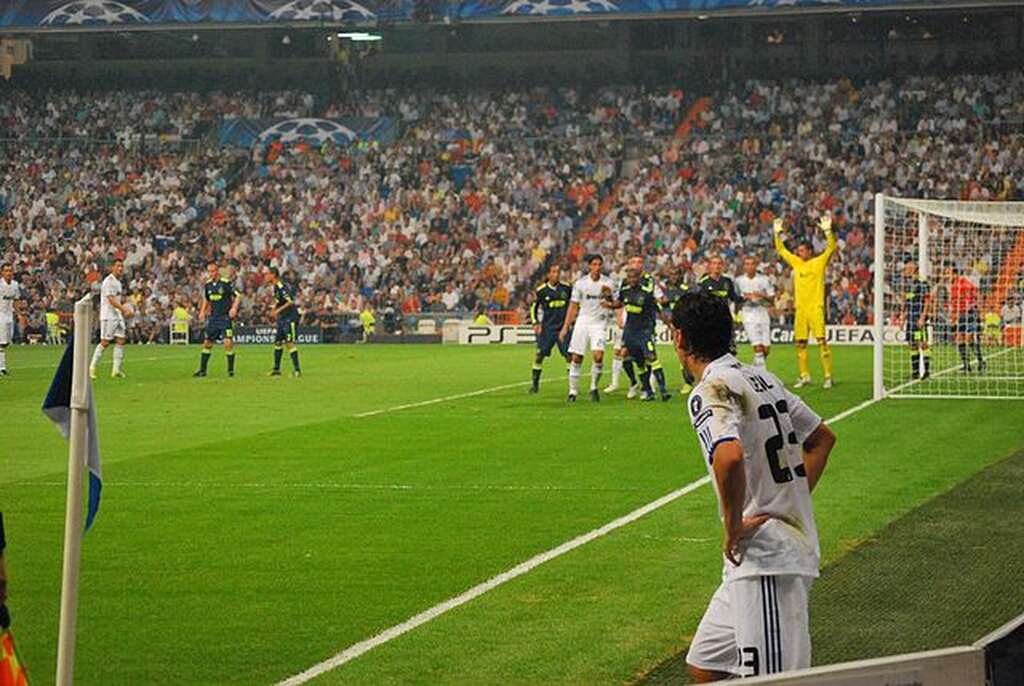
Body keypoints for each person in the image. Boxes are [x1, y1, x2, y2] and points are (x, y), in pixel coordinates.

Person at [672, 290, 836, 681]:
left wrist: (733, 527)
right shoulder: (761, 378)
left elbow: (727, 457)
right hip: (758, 558)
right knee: (706, 665)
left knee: (773, 681)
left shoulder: (711, 390)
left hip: (766, 560)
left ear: (679, 338)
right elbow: (821, 438)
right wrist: (788, 498)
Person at [774, 215, 837, 388]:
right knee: (800, 343)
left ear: (809, 251)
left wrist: (827, 231)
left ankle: (828, 376)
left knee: (822, 342)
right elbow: (781, 250)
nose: (798, 253)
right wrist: (777, 234)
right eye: (798, 251)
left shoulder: (818, 262)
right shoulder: (796, 263)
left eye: (801, 250)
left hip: (815, 308)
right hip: (800, 309)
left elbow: (831, 247)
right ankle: (804, 375)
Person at [559, 254, 616, 402]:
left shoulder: (608, 283)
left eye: (599, 264)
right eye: (594, 264)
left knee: (598, 356)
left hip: (599, 323)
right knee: (576, 357)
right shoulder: (580, 284)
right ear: (589, 266)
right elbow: (573, 306)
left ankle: (593, 388)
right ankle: (572, 392)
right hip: (583, 321)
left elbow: (617, 304)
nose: (597, 267)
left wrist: (609, 299)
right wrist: (565, 327)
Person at [611, 267, 670, 401]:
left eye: (634, 277)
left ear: (638, 279)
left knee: (651, 357)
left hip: (644, 331)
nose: (631, 280)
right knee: (631, 358)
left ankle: (663, 390)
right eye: (629, 277)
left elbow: (658, 310)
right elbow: (618, 304)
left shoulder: (646, 294)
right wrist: (608, 300)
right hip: (630, 331)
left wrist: (669, 325)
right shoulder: (624, 292)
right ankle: (644, 389)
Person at [606, 255, 655, 397]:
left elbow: (649, 299)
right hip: (629, 320)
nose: (636, 264)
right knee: (622, 353)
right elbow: (621, 300)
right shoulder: (625, 282)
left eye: (639, 262)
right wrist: (619, 315)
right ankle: (632, 383)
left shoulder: (648, 280)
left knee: (647, 355)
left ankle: (648, 386)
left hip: (644, 322)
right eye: (633, 262)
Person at [529, 263, 573, 394]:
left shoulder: (567, 288)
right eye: (553, 272)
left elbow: (573, 305)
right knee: (539, 355)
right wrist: (535, 322)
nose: (556, 274)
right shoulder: (541, 291)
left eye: (558, 272)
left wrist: (572, 321)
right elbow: (534, 308)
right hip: (547, 329)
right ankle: (535, 384)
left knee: (569, 356)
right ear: (548, 274)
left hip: (563, 328)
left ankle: (572, 387)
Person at [193, 262, 241, 378]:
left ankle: (230, 371)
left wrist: (234, 308)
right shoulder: (208, 285)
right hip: (213, 318)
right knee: (207, 344)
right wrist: (202, 311)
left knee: (227, 343)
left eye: (213, 271)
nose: (211, 274)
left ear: (217, 271)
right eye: (209, 271)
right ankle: (203, 370)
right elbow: (206, 299)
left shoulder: (225, 283)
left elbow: (238, 296)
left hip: (224, 318)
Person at [89, 259, 131, 380]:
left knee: (121, 340)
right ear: (112, 267)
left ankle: (116, 370)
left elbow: (117, 300)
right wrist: (124, 309)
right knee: (105, 342)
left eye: (122, 266)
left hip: (117, 315)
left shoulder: (118, 282)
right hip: (108, 316)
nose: (120, 268)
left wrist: (123, 309)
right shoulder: (109, 281)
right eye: (118, 266)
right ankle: (91, 367)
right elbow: (111, 299)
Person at [734, 256, 776, 368]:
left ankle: (755, 367)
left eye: (752, 264)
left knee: (766, 349)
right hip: (748, 313)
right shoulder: (738, 281)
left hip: (762, 312)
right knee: (757, 347)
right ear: (744, 266)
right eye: (747, 264)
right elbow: (735, 298)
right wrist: (744, 299)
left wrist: (762, 295)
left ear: (756, 266)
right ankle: (763, 374)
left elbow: (772, 299)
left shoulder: (764, 279)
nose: (749, 266)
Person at [947, 264, 984, 373]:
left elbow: (975, 295)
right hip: (961, 315)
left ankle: (981, 361)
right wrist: (954, 317)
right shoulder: (953, 286)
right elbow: (954, 303)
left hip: (969, 313)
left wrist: (976, 309)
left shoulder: (964, 283)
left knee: (970, 339)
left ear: (954, 273)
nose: (947, 276)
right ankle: (966, 365)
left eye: (948, 273)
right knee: (959, 339)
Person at [899, 258, 931, 380]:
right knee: (912, 344)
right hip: (911, 319)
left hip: (918, 318)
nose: (905, 269)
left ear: (913, 267)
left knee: (922, 343)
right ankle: (915, 372)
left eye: (907, 267)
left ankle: (927, 372)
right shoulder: (908, 284)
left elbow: (927, 301)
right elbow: (907, 302)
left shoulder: (922, 283)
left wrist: (923, 317)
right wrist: (903, 317)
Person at [266, 268, 302, 377]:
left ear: (273, 275)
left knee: (289, 342)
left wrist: (277, 310)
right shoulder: (275, 287)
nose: (266, 276)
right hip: (282, 318)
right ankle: (276, 369)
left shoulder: (281, 285)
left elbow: (290, 301)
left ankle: (297, 370)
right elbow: (280, 301)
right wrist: (273, 308)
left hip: (290, 317)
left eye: (268, 274)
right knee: (278, 342)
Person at [0, 264, 24, 377]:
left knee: (7, 342)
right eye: (6, 271)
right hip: (0, 315)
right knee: (2, 343)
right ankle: (2, 368)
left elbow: (16, 300)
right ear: (2, 272)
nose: (8, 273)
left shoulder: (15, 285)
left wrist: (19, 315)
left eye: (10, 271)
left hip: (10, 315)